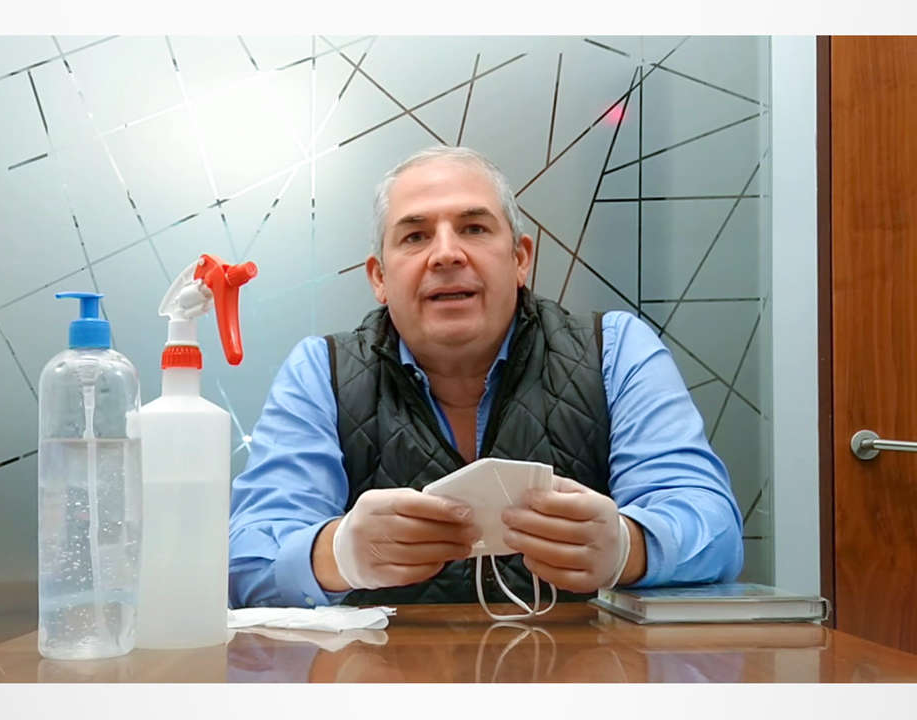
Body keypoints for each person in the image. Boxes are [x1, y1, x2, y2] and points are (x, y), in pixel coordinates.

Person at [228, 145, 743, 609]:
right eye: (415, 236)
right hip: (379, 677)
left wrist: (631, 548)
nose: (446, 254)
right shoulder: (321, 371)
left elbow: (714, 529)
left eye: (474, 228)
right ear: (379, 277)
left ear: (520, 259)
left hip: (589, 674)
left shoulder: (616, 349)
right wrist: (334, 554)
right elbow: (246, 562)